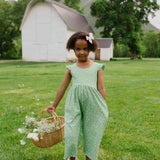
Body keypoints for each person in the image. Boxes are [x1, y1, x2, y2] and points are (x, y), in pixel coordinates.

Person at [46, 31, 108, 160]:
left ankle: (89, 157)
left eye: (85, 49)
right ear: (73, 50)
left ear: (90, 49)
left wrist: (104, 106)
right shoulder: (71, 69)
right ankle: (72, 158)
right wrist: (54, 105)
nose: (81, 52)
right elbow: (62, 88)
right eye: (78, 49)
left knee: (92, 134)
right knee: (71, 134)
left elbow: (101, 88)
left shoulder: (97, 67)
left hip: (93, 105)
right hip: (74, 104)